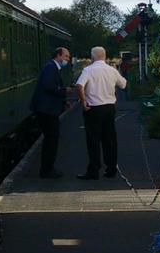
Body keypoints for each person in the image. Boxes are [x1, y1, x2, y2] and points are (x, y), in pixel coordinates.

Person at [75, 45, 127, 179]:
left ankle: (93, 170)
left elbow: (79, 85)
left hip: (93, 109)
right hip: (109, 108)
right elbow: (123, 84)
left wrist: (83, 102)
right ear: (104, 56)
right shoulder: (111, 70)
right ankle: (111, 169)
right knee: (110, 139)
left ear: (92, 57)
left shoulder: (88, 70)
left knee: (93, 140)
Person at [29, 46, 72, 178]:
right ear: (58, 55)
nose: (67, 60)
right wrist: (64, 91)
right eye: (66, 57)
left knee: (51, 139)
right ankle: (47, 169)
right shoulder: (50, 68)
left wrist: (63, 101)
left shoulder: (52, 67)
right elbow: (49, 86)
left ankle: (48, 168)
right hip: (47, 110)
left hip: (47, 109)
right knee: (51, 139)